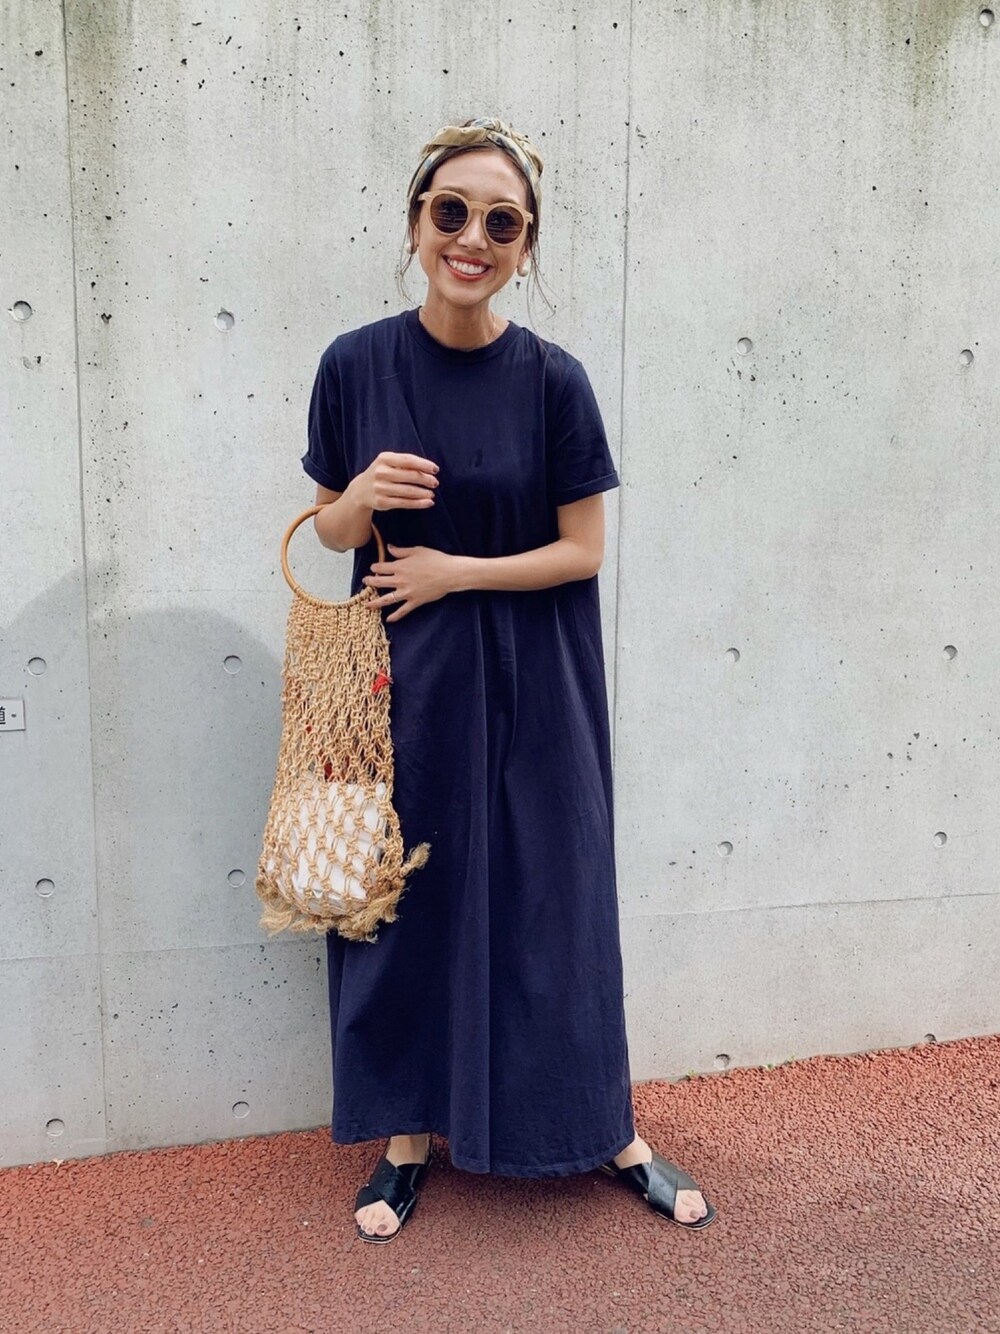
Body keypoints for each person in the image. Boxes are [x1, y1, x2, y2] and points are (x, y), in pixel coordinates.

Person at [301, 116, 717, 1241]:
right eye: (452, 212)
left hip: (539, 677)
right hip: (398, 685)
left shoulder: (553, 380)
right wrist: (358, 500)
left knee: (556, 898)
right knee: (398, 902)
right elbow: (325, 527)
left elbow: (582, 550)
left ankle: (605, 1127)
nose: (472, 238)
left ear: (526, 246)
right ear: (415, 223)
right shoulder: (353, 364)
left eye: (502, 221)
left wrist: (458, 572)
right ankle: (403, 1135)